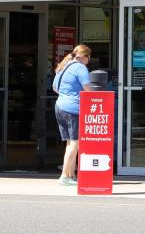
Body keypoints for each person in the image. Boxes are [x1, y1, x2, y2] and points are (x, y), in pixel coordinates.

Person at [53, 44, 97, 185]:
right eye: (88, 57)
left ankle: (71, 175)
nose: (88, 61)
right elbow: (87, 88)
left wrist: (67, 95)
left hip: (60, 106)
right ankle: (64, 176)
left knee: (70, 143)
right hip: (73, 109)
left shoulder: (64, 66)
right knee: (75, 144)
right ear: (85, 56)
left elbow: (55, 88)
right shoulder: (80, 68)